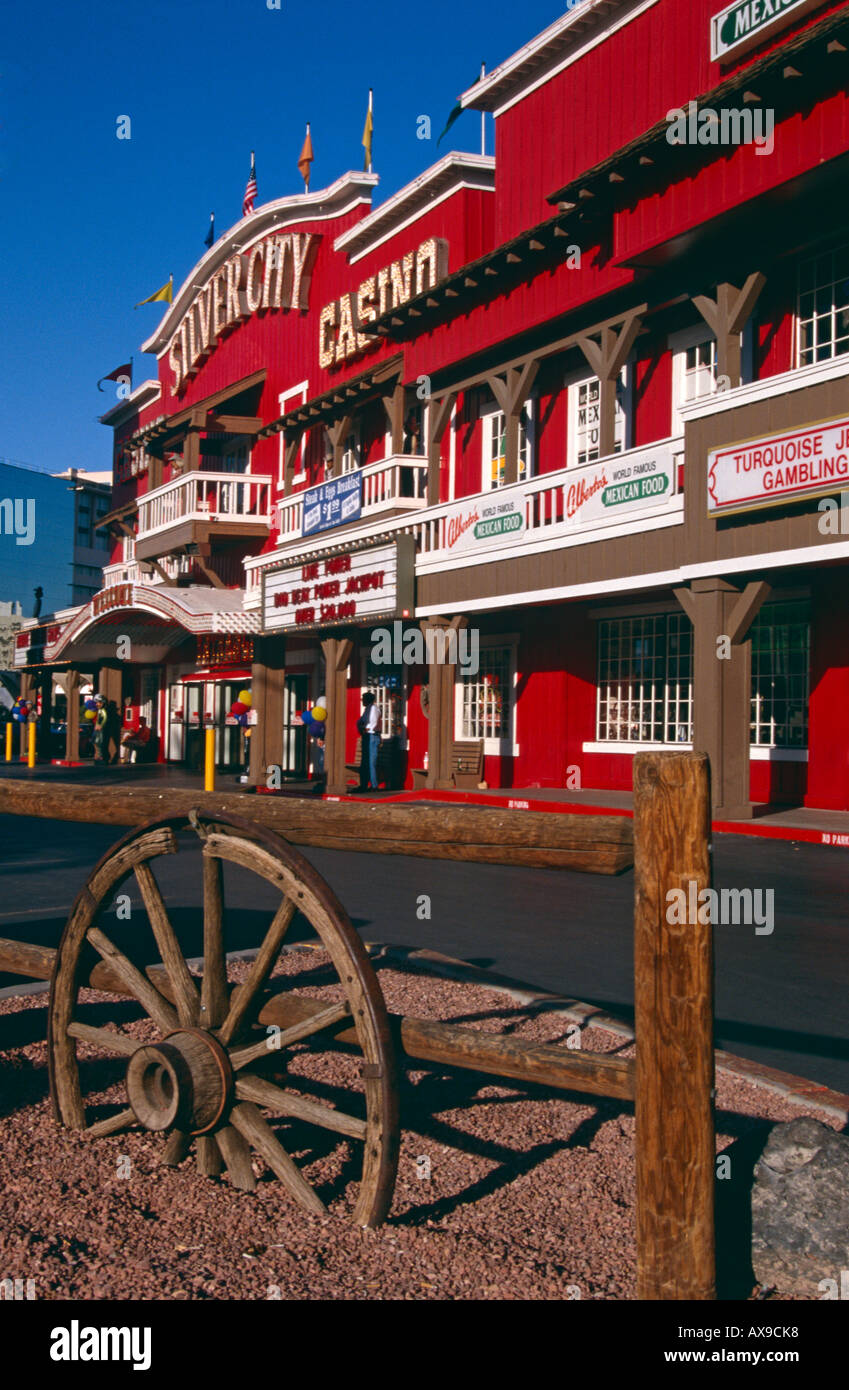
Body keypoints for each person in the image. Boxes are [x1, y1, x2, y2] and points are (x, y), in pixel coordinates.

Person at [357, 691, 381, 791]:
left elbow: (374, 722)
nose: (362, 701)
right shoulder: (367, 709)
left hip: (372, 736)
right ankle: (364, 784)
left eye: (364, 699)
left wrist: (366, 728)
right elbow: (361, 721)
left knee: (371, 761)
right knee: (365, 761)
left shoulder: (374, 708)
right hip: (367, 736)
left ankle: (374, 785)